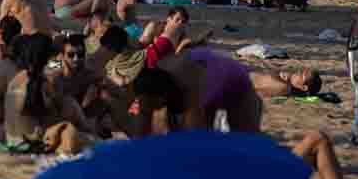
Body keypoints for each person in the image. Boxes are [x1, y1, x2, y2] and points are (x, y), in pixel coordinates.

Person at [132, 47, 263, 135]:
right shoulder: (155, 78)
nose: (149, 109)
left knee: (244, 141)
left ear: (161, 97)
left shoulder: (189, 85)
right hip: (211, 78)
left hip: (238, 88)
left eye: (152, 105)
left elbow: (196, 133)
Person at [2, 33, 94, 148]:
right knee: (70, 106)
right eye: (70, 55)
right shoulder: (41, 81)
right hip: (32, 142)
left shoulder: (20, 78)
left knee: (69, 104)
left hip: (13, 140)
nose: (75, 58)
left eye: (80, 55)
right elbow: (42, 121)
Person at [250, 68, 323, 98]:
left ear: (304, 87)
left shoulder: (284, 87)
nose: (297, 72)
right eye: (300, 70)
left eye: (301, 74)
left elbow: (255, 92)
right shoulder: (283, 82)